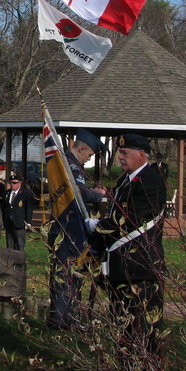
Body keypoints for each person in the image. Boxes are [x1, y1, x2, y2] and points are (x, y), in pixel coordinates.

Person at [86, 134, 167, 371]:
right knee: (125, 330)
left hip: (140, 269)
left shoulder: (150, 181)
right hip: (121, 269)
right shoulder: (125, 180)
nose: (120, 157)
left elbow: (131, 219)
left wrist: (98, 226)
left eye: (125, 153)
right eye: (120, 153)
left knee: (142, 332)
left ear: (142, 154)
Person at [47, 128, 106, 329]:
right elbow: (79, 192)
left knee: (73, 275)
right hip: (68, 230)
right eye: (89, 154)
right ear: (81, 148)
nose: (89, 159)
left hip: (69, 230)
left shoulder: (70, 164)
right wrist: (98, 196)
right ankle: (62, 319)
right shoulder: (70, 166)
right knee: (66, 276)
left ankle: (67, 317)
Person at [2, 174, 33, 251]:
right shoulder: (6, 193)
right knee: (10, 245)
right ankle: (11, 261)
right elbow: (3, 208)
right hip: (9, 223)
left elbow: (28, 208)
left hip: (19, 223)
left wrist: (28, 222)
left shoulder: (25, 193)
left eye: (15, 183)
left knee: (20, 245)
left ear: (20, 183)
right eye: (11, 183)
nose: (13, 185)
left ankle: (20, 262)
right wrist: (3, 221)